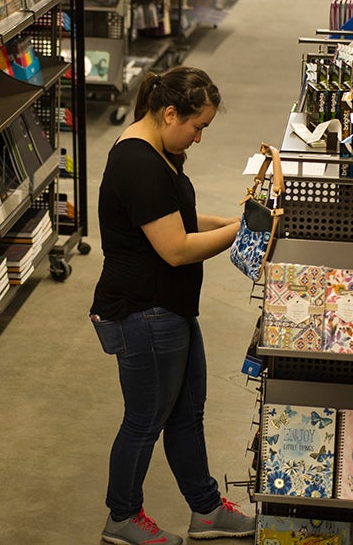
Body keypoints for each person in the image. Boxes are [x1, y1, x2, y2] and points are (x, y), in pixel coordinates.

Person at [90, 66, 256, 545]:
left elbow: (174, 214)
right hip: (144, 313)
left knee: (186, 414)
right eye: (197, 126)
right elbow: (176, 247)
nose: (199, 138)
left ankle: (205, 510)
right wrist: (244, 231)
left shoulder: (160, 151)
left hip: (170, 309)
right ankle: (121, 518)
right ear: (169, 114)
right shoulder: (137, 163)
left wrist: (232, 219)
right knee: (144, 421)